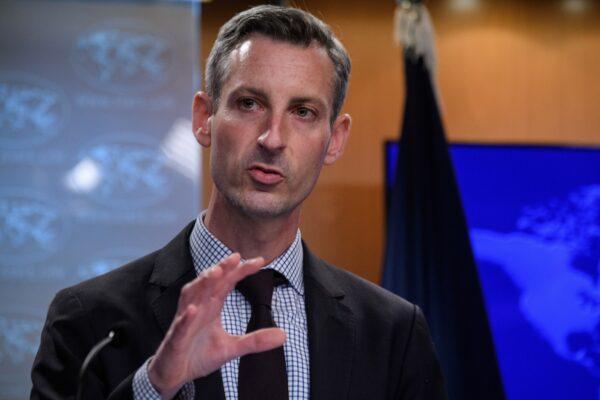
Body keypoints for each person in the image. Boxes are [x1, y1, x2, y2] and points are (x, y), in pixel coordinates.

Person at [31, 5, 447, 400]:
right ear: (203, 118)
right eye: (250, 104)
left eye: (303, 112)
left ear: (335, 139)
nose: (273, 138)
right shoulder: (89, 317)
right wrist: (155, 386)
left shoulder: (393, 331)